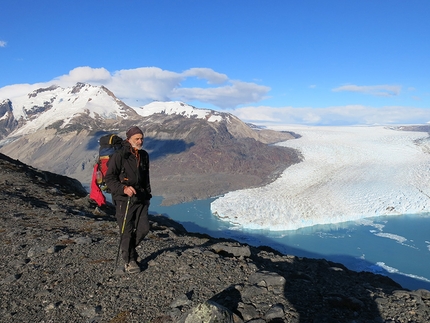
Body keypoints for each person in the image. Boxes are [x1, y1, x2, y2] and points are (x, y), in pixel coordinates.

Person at [105, 126, 152, 273]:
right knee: (127, 231)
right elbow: (109, 178)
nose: (140, 141)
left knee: (144, 229)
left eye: (141, 138)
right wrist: (123, 189)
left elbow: (146, 178)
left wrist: (148, 196)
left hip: (141, 198)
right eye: (137, 138)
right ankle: (129, 261)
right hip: (124, 200)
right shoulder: (120, 155)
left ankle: (131, 251)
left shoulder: (144, 155)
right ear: (129, 139)